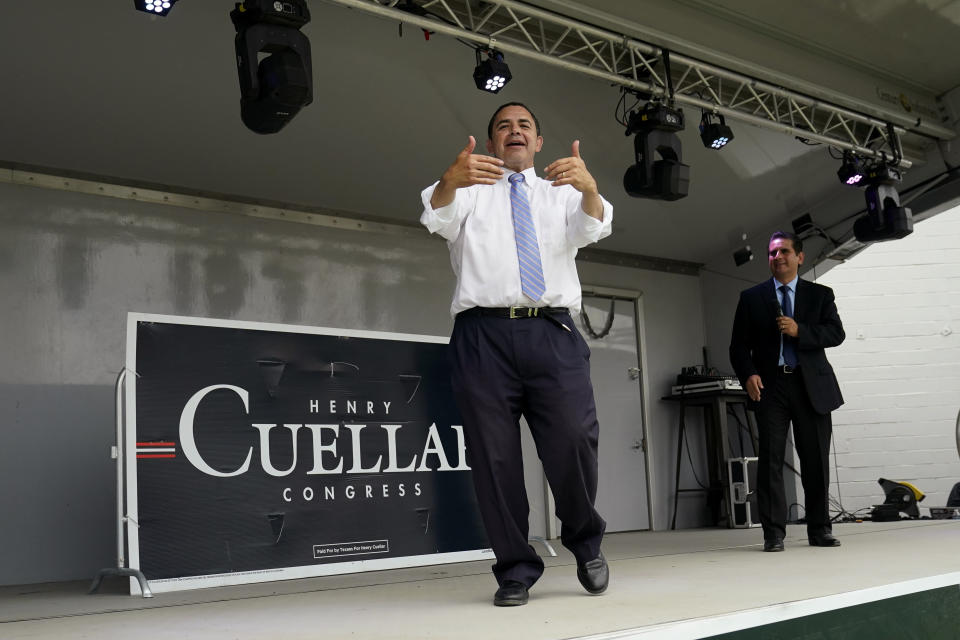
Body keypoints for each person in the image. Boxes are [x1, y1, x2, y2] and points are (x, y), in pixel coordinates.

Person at [420, 102, 613, 606]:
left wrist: (590, 188)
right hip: (482, 337)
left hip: (551, 332)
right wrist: (449, 177)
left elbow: (591, 229)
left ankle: (585, 541)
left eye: (524, 125)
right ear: (490, 144)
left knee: (573, 438)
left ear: (539, 142)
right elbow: (435, 216)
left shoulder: (563, 191)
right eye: (503, 126)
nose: (514, 131)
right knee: (493, 457)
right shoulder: (467, 189)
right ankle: (514, 568)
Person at [729, 231, 845, 552]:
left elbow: (836, 333)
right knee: (770, 462)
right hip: (771, 386)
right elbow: (738, 347)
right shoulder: (751, 298)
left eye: (784, 252)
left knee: (816, 461)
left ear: (800, 257)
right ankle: (773, 534)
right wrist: (748, 374)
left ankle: (820, 529)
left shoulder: (820, 295)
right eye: (772, 253)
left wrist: (800, 331)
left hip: (812, 387)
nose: (777, 257)